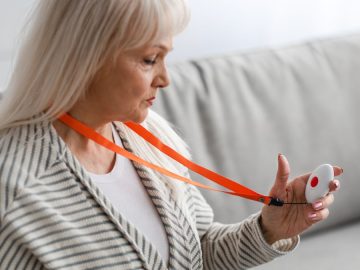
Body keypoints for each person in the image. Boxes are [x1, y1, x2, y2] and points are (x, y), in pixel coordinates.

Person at [0, 0, 342, 269]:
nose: (166, 79)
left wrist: (271, 229)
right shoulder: (15, 190)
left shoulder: (148, 136)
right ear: (86, 57)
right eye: (150, 59)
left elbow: (200, 252)